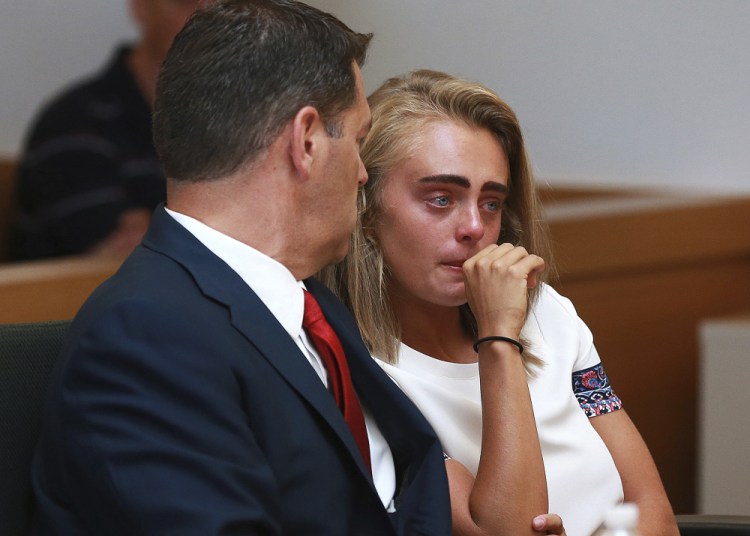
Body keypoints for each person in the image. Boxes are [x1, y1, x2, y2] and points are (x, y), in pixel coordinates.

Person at [30, 2, 456, 534]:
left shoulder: (311, 304)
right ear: (306, 142)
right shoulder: (145, 337)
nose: (364, 173)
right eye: (359, 140)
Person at [322, 69, 679, 536]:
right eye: (440, 198)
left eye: (490, 203)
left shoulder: (548, 314)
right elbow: (505, 530)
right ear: (366, 207)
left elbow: (651, 508)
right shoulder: (354, 371)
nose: (474, 226)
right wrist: (498, 338)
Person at [9, 0, 205, 260]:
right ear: (142, 7)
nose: (211, 16)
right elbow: (122, 258)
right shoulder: (73, 123)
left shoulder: (241, 119)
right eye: (187, 3)